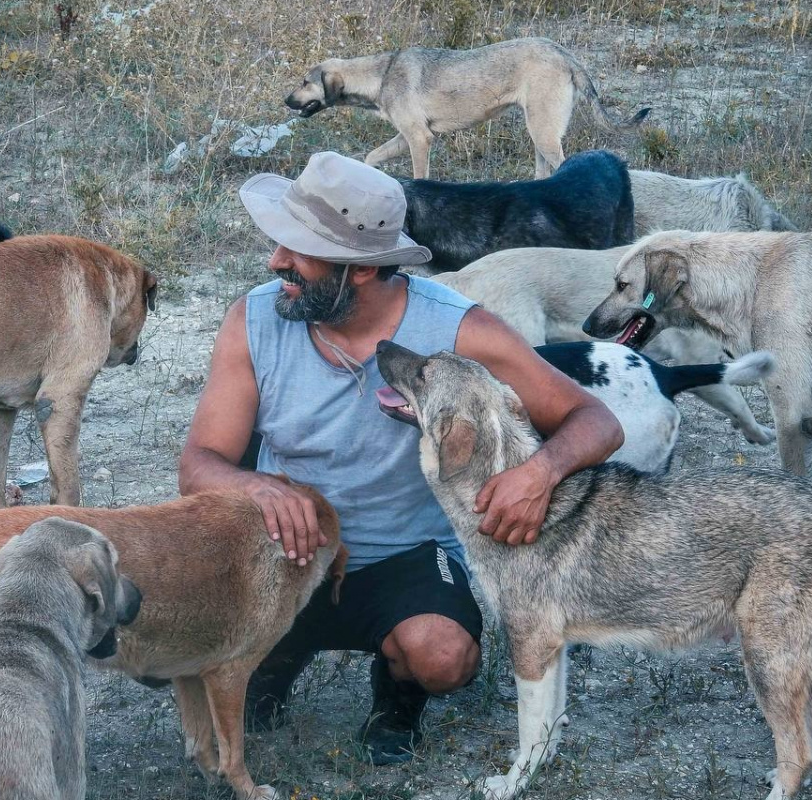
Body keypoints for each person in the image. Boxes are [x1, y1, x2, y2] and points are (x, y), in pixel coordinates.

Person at [178, 151, 623, 764]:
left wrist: (539, 473)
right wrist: (258, 490)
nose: (275, 261)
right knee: (164, 627)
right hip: (287, 551)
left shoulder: (461, 330)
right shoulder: (251, 321)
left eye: (297, 250)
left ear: (358, 270)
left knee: (443, 658)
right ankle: (272, 657)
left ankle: (397, 692)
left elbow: (595, 420)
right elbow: (200, 461)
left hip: (405, 556)